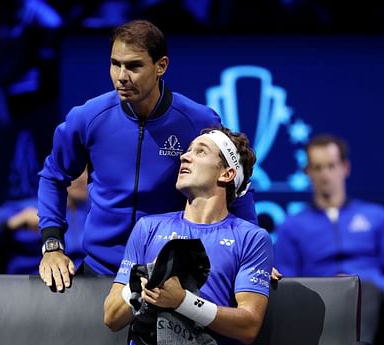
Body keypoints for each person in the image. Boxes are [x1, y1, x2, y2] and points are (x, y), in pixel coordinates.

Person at [38, 19, 258, 291]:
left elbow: (238, 184)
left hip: (169, 277)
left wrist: (251, 257)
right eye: (115, 63)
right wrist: (52, 245)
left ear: (161, 66)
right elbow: (53, 176)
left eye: (134, 66)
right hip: (100, 271)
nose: (121, 76)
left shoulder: (196, 120)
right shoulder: (87, 118)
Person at [104, 127, 273, 344]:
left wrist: (183, 301)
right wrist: (142, 284)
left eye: (200, 152)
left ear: (227, 173)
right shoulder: (147, 228)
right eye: (188, 150)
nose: (184, 156)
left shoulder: (252, 238)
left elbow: (249, 326)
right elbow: (111, 317)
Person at [274, 134, 384, 345]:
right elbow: (286, 285)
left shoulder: (377, 216)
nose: (325, 175)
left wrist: (356, 285)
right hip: (321, 300)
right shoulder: (292, 226)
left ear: (345, 167)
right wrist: (336, 287)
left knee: (366, 290)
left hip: (374, 298)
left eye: (331, 166)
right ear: (307, 172)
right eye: (317, 167)